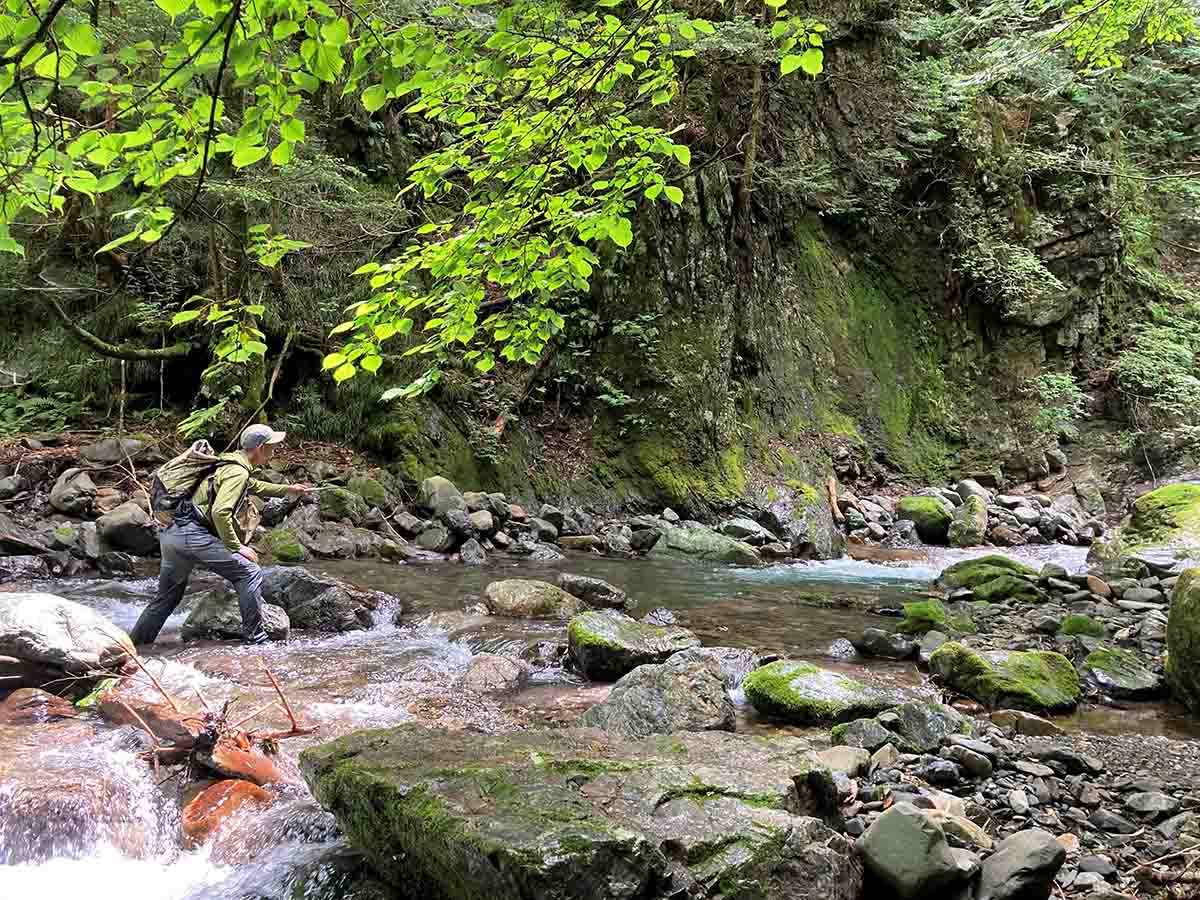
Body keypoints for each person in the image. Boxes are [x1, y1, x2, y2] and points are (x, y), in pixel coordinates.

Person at [129, 424, 312, 646]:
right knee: (249, 572)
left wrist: (288, 489)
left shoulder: (228, 463)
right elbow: (220, 511)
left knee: (167, 599)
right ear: (260, 448)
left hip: (173, 534)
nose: (274, 451)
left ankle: (134, 647)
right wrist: (237, 546)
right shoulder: (238, 471)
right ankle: (258, 641)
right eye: (272, 447)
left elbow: (252, 485)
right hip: (193, 535)